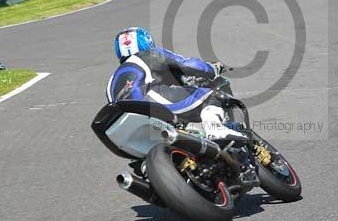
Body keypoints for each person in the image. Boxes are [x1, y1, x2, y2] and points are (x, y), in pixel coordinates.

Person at [107, 27, 257, 183]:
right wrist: (214, 68)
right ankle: (215, 128)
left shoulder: (111, 81)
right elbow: (189, 65)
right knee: (211, 95)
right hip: (150, 102)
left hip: (127, 127)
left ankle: (153, 172)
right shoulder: (149, 55)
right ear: (147, 42)